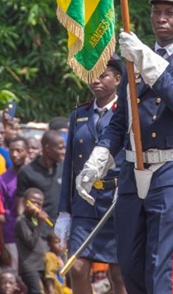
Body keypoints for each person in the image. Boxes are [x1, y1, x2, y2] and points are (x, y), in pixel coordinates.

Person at [77, 0, 173, 294]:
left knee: (161, 266)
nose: (161, 18)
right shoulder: (132, 59)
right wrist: (98, 158)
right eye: (157, 11)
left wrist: (144, 57)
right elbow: (121, 121)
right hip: (131, 173)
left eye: (170, 11)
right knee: (129, 265)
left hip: (171, 174)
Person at [56, 56, 126, 294]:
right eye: (92, 75)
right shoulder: (79, 114)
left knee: (119, 273)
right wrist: (64, 211)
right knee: (76, 267)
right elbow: (70, 166)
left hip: (116, 199)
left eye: (103, 75)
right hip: (85, 201)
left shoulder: (127, 112)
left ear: (117, 79)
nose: (95, 80)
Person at [15, 130, 66, 226]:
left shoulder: (64, 168)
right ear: (47, 148)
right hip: (39, 232)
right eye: (60, 148)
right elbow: (20, 207)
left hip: (61, 229)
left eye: (64, 148)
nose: (63, 152)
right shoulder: (27, 172)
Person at [0, 136, 29, 275]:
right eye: (12, 151)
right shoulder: (1, 180)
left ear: (26, 152)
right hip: (11, 236)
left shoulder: (34, 175)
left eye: (19, 150)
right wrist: (2, 246)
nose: (15, 154)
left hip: (33, 237)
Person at [16, 187, 51, 294]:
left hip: (40, 264)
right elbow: (30, 242)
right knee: (35, 291)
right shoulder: (21, 221)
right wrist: (40, 223)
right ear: (24, 202)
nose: (36, 206)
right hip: (29, 267)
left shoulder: (34, 220)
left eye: (39, 204)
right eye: (33, 202)